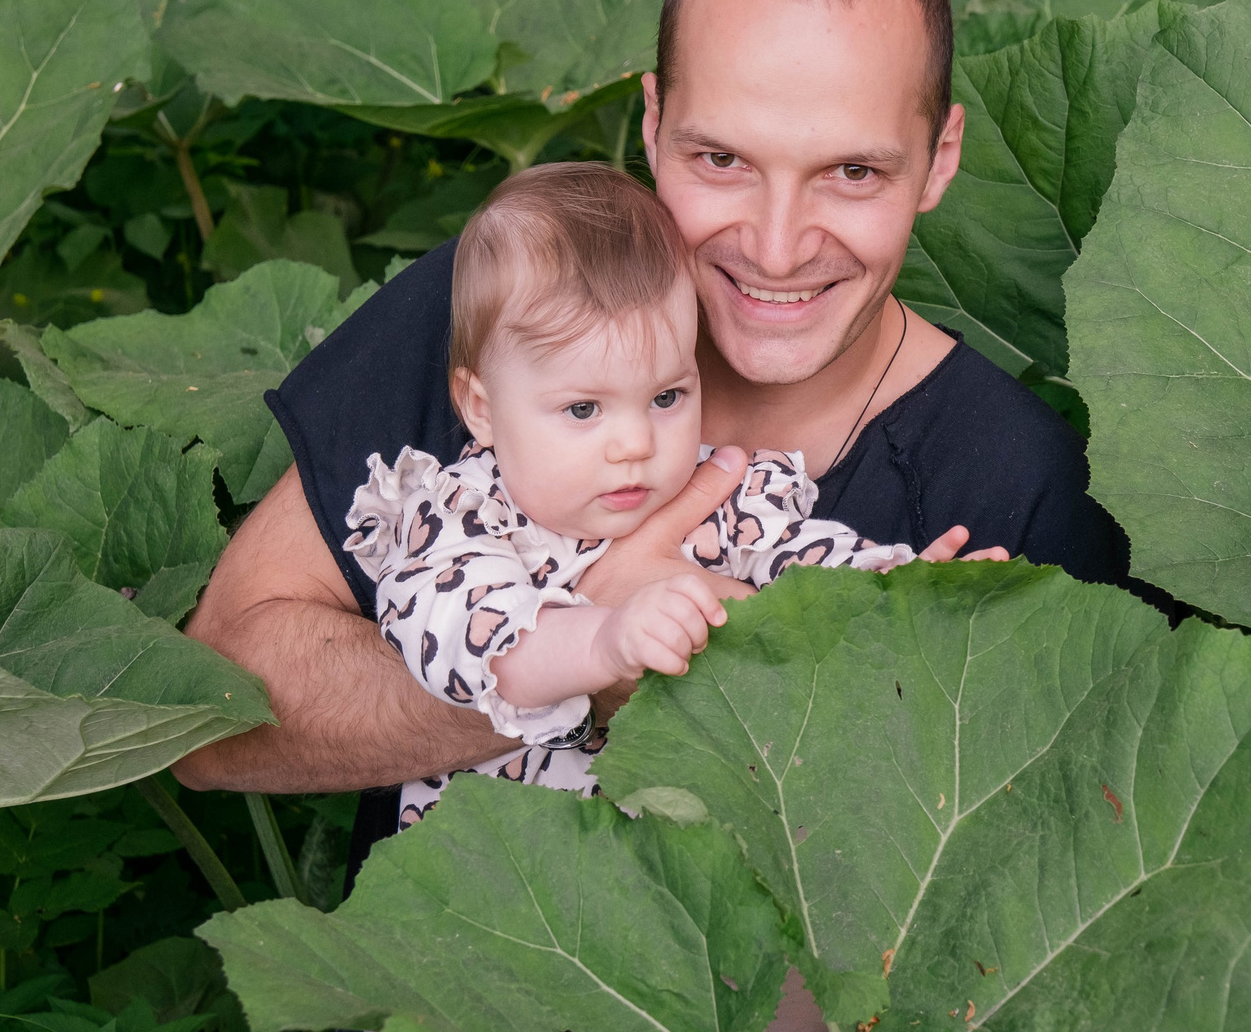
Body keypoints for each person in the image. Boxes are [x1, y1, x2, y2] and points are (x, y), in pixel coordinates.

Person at [173, 0, 1144, 1032]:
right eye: (721, 160)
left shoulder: (1011, 491)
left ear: (940, 160)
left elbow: (1049, 942)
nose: (779, 246)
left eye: (851, 171)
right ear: (648, 122)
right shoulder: (506, 312)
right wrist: (577, 652)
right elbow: (212, 716)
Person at [344, 160, 995, 828]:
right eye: (582, 409)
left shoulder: (712, 493)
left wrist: (906, 594)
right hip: (496, 878)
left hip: (662, 885)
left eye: (665, 396)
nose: (635, 443)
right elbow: (472, 648)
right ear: (481, 406)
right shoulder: (458, 515)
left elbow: (803, 565)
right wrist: (605, 641)